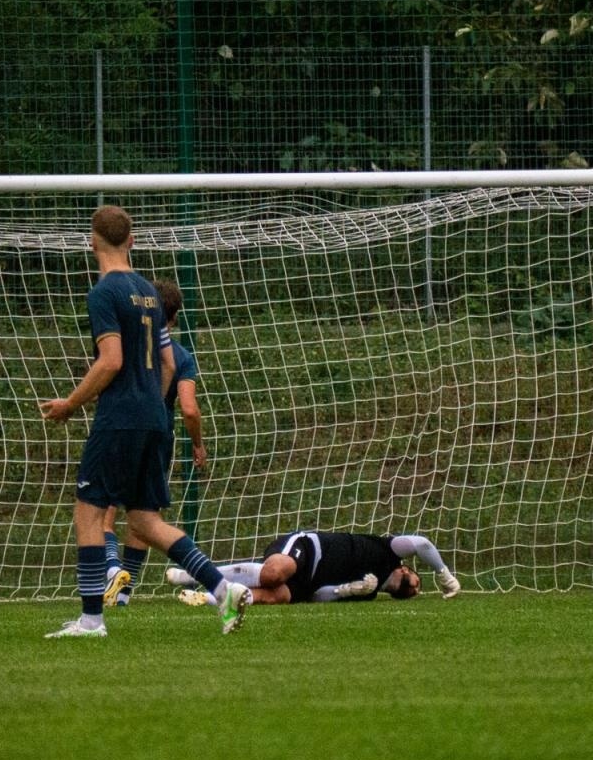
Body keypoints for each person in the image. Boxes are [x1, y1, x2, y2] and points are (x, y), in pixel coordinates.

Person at [39, 206, 251, 638]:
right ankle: (223, 587)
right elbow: (169, 362)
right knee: (145, 522)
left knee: (89, 513)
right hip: (155, 418)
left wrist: (71, 404)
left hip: (120, 419)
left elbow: (111, 360)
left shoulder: (104, 292)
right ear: (131, 241)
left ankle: (91, 620)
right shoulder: (150, 294)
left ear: (93, 241)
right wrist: (150, 403)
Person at [102, 277, 207, 607]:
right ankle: (124, 593)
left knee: (104, 507)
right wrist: (198, 444)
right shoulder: (181, 357)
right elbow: (189, 409)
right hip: (158, 437)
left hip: (120, 428)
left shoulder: (127, 349)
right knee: (144, 516)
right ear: (174, 318)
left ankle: (111, 566)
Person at [169, 530, 461, 605]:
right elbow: (422, 544)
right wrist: (445, 576)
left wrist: (346, 591)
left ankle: (205, 597)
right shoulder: (389, 551)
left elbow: (320, 595)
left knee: (276, 596)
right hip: (309, 549)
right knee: (274, 573)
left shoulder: (369, 593)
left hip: (308, 584)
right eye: (417, 580)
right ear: (406, 568)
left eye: (415, 591)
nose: (414, 587)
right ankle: (195, 573)